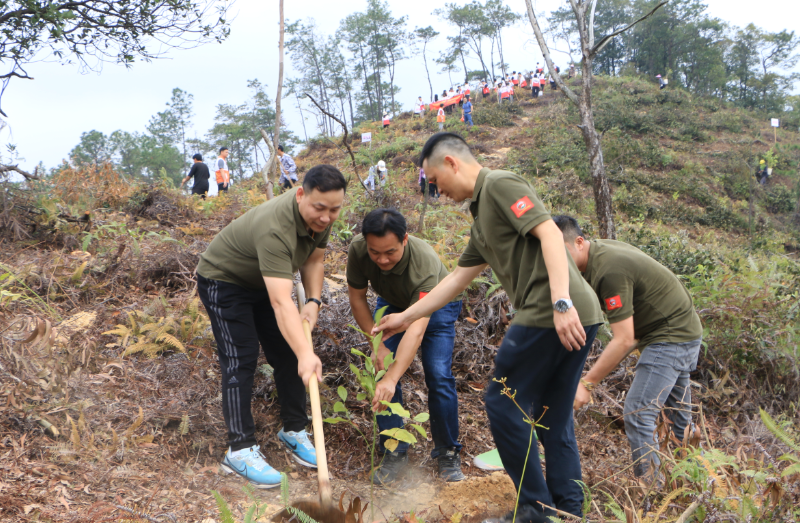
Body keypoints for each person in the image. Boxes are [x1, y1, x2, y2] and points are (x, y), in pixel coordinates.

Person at [373, 133, 603, 523]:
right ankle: (567, 511)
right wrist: (405, 316)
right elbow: (455, 280)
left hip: (550, 311)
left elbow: (549, 232)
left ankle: (533, 510)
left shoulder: (498, 184)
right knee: (552, 417)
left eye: (435, 180)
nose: (437, 191)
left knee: (501, 401)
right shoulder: (481, 220)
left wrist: (561, 302)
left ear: (451, 162)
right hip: (580, 313)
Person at [196, 165, 347, 489]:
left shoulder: (321, 219)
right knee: (242, 358)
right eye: (320, 208)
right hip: (225, 281)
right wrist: (307, 354)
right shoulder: (276, 226)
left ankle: (294, 430)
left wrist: (314, 301)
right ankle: (239, 451)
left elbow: (314, 260)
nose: (326, 217)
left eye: (334, 210)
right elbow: (281, 303)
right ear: (300, 194)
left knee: (289, 352)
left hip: (263, 281)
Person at [553, 216, 703, 481]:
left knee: (638, 414)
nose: (558, 261)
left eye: (562, 252)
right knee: (680, 421)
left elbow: (625, 339)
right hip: (681, 330)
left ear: (579, 242)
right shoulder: (595, 255)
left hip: (670, 337)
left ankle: (652, 492)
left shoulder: (609, 271)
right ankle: (696, 485)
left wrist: (587, 384)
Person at [347, 208, 465, 484]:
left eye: (390, 252)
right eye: (375, 252)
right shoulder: (358, 249)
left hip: (437, 306)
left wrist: (392, 378)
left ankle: (447, 452)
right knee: (381, 366)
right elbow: (357, 298)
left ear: (405, 239)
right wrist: (377, 345)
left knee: (438, 375)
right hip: (392, 302)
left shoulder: (423, 263)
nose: (382, 259)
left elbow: (417, 329)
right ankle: (394, 451)